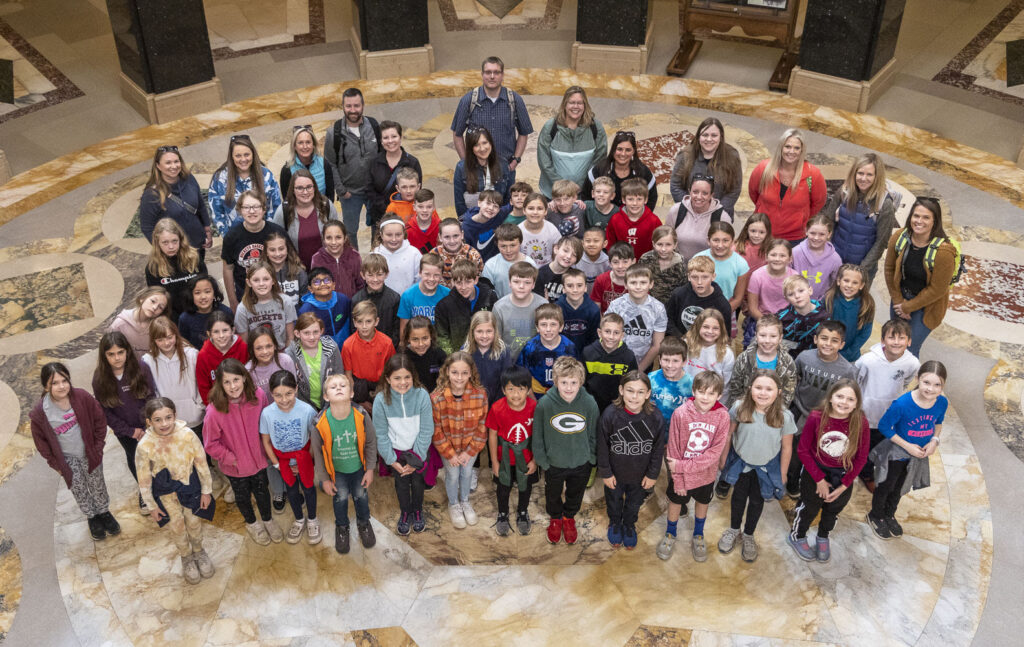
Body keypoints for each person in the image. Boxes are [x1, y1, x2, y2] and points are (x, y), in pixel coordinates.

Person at [30, 362, 120, 541]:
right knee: (78, 488)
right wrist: (55, 464)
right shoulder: (41, 412)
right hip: (67, 459)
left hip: (89, 452)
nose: (61, 386)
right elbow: (41, 443)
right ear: (46, 386)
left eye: (64, 380)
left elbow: (99, 420)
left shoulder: (82, 397)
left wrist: (98, 446)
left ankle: (104, 512)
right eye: (54, 383)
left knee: (97, 484)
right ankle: (92, 516)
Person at [203, 359, 283, 545]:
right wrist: (232, 459)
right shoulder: (214, 411)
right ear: (220, 385)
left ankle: (267, 520)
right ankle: (252, 523)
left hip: (260, 461)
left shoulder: (259, 395)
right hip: (235, 467)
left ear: (244, 378)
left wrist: (267, 448)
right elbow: (210, 444)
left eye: (236, 380)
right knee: (243, 496)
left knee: (262, 492)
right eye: (227, 382)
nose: (232, 386)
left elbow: (266, 424)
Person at [718, 371, 796, 562]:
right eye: (758, 387)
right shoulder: (739, 408)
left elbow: (786, 447)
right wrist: (723, 458)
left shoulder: (785, 416)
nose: (763, 393)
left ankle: (749, 534)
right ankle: (734, 529)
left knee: (756, 501)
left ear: (778, 392)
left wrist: (783, 473)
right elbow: (727, 435)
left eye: (768, 389)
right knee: (737, 498)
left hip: (766, 468)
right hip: (741, 464)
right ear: (750, 388)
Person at [788, 379, 869, 562]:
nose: (844, 402)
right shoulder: (817, 417)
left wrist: (843, 486)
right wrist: (819, 479)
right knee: (809, 507)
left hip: (843, 476)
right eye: (840, 396)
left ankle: (823, 536)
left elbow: (861, 457)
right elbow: (802, 450)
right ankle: (798, 535)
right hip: (815, 472)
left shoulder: (860, 422)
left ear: (857, 403)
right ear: (831, 397)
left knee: (833, 509)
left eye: (850, 399)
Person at [137, 398, 215, 583]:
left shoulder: (187, 435)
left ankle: (198, 551)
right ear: (149, 421)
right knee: (177, 526)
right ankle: (186, 556)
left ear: (175, 415)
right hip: (166, 494)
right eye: (158, 420)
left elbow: (201, 462)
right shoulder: (144, 445)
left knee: (194, 521)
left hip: (190, 487)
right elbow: (144, 478)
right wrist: (151, 505)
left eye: (168, 417)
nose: (164, 424)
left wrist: (206, 490)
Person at [866, 361, 947, 540]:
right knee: (886, 485)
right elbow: (885, 426)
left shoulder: (942, 402)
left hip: (918, 456)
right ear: (918, 379)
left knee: (902, 487)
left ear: (943, 385)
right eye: (926, 382)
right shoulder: (902, 404)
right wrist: (907, 446)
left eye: (937, 385)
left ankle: (889, 514)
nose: (931, 389)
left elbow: (939, 422)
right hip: (897, 454)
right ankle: (876, 515)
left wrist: (934, 440)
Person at [658, 370, 730, 562]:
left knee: (703, 502)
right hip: (680, 476)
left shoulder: (723, 416)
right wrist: (679, 480)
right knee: (675, 502)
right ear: (694, 391)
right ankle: (670, 533)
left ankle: (698, 534)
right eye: (702, 392)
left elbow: (714, 453)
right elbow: (673, 451)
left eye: (711, 393)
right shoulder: (680, 414)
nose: (705, 397)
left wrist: (682, 466)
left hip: (706, 475)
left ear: (719, 395)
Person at [532, 357, 600, 545]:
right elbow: (538, 436)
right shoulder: (545, 404)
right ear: (555, 381)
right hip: (554, 463)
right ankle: (555, 518)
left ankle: (569, 517)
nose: (568, 387)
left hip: (581, 462)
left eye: (573, 382)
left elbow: (594, 434)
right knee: (552, 493)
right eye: (563, 382)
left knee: (575, 493)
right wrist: (543, 462)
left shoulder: (589, 403)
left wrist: (591, 458)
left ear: (581, 382)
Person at [883, 196, 957, 357]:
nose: (919, 221)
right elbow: (889, 269)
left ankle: (904, 382)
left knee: (908, 349)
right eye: (916, 216)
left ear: (935, 221)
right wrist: (898, 301)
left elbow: (937, 290)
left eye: (926, 217)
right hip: (900, 299)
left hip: (927, 307)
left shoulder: (944, 253)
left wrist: (907, 308)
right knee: (894, 344)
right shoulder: (899, 237)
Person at [789, 321, 858, 494]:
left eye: (834, 341)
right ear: (815, 339)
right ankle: (790, 481)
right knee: (794, 451)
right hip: (799, 410)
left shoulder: (847, 370)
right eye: (824, 338)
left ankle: (805, 480)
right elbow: (794, 378)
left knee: (813, 451)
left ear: (841, 344)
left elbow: (847, 396)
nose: (828, 344)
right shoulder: (805, 357)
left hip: (824, 417)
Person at [312, 373, 378, 554]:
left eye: (343, 385)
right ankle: (342, 527)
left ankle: (364, 523)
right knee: (340, 498)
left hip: (359, 468)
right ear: (326, 396)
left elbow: (371, 442)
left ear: (351, 393)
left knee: (360, 495)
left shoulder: (362, 415)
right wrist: (324, 479)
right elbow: (317, 454)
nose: (339, 388)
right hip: (336, 472)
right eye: (333, 387)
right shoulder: (319, 422)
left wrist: (370, 469)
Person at [598, 371, 665, 550]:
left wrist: (652, 474)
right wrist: (605, 472)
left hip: (640, 474)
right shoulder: (610, 414)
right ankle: (615, 523)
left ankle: (628, 524)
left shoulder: (655, 417)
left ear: (648, 394)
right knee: (613, 500)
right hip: (615, 473)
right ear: (621, 390)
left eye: (640, 392)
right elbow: (602, 445)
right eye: (630, 390)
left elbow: (658, 449)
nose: (635, 397)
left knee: (634, 503)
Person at [374, 354, 435, 536]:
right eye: (397, 378)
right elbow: (381, 434)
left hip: (419, 451)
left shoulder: (422, 395)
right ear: (388, 378)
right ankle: (405, 512)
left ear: (413, 376)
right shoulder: (380, 400)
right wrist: (392, 460)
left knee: (417, 483)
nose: (403, 382)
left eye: (407, 377)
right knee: (401, 485)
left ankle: (417, 511)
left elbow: (426, 430)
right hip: (396, 453)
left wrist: (416, 459)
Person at [855, 319, 919, 490]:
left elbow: (906, 383)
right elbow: (856, 382)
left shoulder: (912, 363)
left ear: (909, 341)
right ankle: (864, 473)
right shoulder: (867, 360)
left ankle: (873, 471)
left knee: (880, 446)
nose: (896, 342)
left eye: (901, 338)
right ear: (883, 340)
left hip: (889, 415)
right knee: (861, 446)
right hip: (866, 413)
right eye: (891, 337)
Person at [259, 370, 321, 545]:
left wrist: (307, 460)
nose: (284, 400)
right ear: (271, 394)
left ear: (295, 389)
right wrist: (278, 465)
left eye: (288, 393)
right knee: (292, 491)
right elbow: (266, 441)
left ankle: (312, 519)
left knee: (308, 489)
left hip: (304, 459)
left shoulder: (307, 411)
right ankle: (299, 519)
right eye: (278, 395)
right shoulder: (267, 414)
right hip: (283, 462)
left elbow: (314, 438)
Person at [92, 331, 157, 498]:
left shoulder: (141, 368)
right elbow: (105, 412)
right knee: (135, 459)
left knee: (154, 457)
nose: (117, 358)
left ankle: (160, 487)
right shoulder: (99, 379)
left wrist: (147, 425)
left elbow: (151, 397)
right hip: (125, 432)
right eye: (111, 354)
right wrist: (130, 431)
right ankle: (145, 492)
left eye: (120, 352)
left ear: (127, 351)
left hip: (148, 426)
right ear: (104, 355)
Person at [431, 351, 489, 529]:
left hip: (470, 448)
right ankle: (454, 504)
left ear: (471, 373)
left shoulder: (480, 395)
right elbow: (436, 430)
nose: (459, 377)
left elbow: (482, 426)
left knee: (466, 473)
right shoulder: (437, 397)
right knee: (453, 475)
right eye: (455, 372)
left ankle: (465, 501)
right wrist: (450, 454)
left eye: (464, 373)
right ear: (447, 371)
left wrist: (469, 452)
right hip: (449, 449)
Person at [451, 56, 533, 179]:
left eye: (496, 72)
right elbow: (457, 134)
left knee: (505, 199)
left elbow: (523, 133)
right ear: (482, 74)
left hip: (505, 169)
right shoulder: (468, 100)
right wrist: (466, 163)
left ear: (502, 75)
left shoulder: (514, 100)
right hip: (476, 171)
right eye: (488, 72)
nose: (492, 76)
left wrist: (515, 162)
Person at [820, 152, 896, 286]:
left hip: (862, 268)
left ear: (877, 176)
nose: (863, 178)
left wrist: (861, 269)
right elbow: (828, 220)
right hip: (836, 261)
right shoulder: (844, 191)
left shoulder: (884, 204)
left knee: (855, 305)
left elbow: (881, 242)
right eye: (860, 173)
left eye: (869, 175)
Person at [324, 87, 382, 249]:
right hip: (350, 194)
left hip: (373, 191)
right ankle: (354, 260)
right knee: (350, 231)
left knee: (377, 227)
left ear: (363, 106)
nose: (353, 110)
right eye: (348, 106)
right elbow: (330, 163)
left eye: (356, 106)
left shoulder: (374, 126)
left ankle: (375, 258)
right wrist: (342, 190)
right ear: (342, 106)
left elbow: (382, 156)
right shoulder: (333, 133)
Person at [486, 365, 539, 536]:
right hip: (504, 461)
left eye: (521, 389)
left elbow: (539, 435)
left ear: (528, 390)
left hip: (527, 459)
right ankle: (502, 513)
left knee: (525, 489)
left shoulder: (535, 408)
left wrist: (535, 460)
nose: (516, 395)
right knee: (503, 489)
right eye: (510, 389)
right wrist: (494, 462)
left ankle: (522, 512)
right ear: (503, 390)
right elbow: (492, 435)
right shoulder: (497, 408)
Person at [747, 128, 826, 242]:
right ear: (781, 147)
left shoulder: (813, 174)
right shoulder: (764, 168)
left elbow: (818, 202)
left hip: (795, 237)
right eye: (787, 146)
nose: (791, 151)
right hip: (762, 231)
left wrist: (801, 218)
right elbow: (753, 192)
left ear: (802, 150)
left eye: (796, 148)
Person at [139, 145, 212, 259]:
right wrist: (164, 250)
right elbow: (147, 227)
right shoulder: (151, 195)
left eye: (176, 161)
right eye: (168, 163)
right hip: (175, 252)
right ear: (158, 166)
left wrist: (207, 229)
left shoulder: (189, 178)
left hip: (197, 244)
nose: (173, 166)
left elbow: (200, 205)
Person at [221, 190, 288, 310]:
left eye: (256, 206)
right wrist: (232, 301)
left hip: (275, 294)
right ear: (240, 211)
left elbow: (290, 261)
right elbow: (228, 269)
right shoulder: (231, 236)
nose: (252, 211)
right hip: (246, 297)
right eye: (246, 207)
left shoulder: (277, 232)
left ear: (264, 209)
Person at [142, 317, 205, 444]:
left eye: (170, 337)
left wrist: (199, 406)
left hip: (194, 417)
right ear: (154, 341)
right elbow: (152, 392)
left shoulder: (192, 355)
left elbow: (202, 384)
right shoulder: (148, 361)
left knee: (201, 456)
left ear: (176, 335)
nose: (166, 343)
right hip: (169, 423)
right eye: (160, 339)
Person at [537, 85, 608, 197]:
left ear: (585, 105)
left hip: (583, 192)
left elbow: (600, 159)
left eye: (580, 103)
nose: (576, 106)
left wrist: (581, 185)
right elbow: (544, 161)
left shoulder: (595, 127)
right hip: (553, 194)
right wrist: (563, 186)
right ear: (565, 104)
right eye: (571, 102)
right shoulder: (551, 127)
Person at [208, 134, 281, 236]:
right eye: (238, 156)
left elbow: (275, 208)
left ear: (253, 154)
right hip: (234, 237)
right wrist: (227, 236)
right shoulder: (220, 178)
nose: (243, 159)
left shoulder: (266, 175)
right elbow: (216, 211)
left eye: (247, 154)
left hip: (264, 236)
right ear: (232, 157)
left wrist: (269, 235)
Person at [669, 117, 743, 215]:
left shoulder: (732, 156)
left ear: (721, 137)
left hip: (719, 215)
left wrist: (717, 212)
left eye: (714, 135)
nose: (709, 139)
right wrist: (691, 208)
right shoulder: (685, 156)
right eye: (705, 135)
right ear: (699, 137)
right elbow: (675, 186)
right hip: (689, 214)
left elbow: (734, 190)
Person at [272, 169, 339, 269]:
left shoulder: (326, 206)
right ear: (293, 190)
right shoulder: (283, 211)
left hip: (325, 269)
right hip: (296, 270)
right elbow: (275, 242)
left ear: (314, 187)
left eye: (309, 187)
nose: (305, 192)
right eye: (299, 188)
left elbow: (338, 236)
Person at [727, 314, 796, 408]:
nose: (767, 341)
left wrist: (776, 412)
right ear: (756, 335)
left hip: (773, 412)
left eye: (773, 336)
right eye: (762, 335)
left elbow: (788, 393)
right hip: (746, 409)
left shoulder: (787, 362)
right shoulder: (744, 358)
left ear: (780, 338)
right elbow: (735, 389)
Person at [607, 264, 667, 372]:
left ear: (651, 284)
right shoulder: (615, 306)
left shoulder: (658, 308)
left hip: (644, 363)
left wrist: (639, 370)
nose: (638, 287)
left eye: (643, 282)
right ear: (625, 284)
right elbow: (607, 337)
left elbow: (657, 345)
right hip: (615, 362)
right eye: (633, 282)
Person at [369, 120, 423, 233]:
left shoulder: (412, 162)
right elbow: (369, 191)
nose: (390, 141)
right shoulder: (374, 162)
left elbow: (418, 191)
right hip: (381, 219)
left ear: (400, 137)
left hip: (407, 220)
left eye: (394, 136)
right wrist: (388, 210)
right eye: (385, 138)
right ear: (381, 141)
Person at [435, 259, 497, 354]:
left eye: (468, 282)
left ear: (476, 280)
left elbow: (497, 327)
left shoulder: (489, 297)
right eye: (459, 283)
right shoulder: (443, 306)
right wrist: (453, 357)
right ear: (453, 282)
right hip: (459, 357)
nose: (463, 287)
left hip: (487, 353)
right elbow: (442, 337)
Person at [582, 131, 657, 209]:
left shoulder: (642, 172)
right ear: (613, 149)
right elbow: (586, 196)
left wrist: (640, 218)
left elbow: (651, 199)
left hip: (633, 219)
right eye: (619, 149)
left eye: (628, 150)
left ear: (633, 152)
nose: (623, 154)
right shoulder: (599, 170)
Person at [342, 301, 395, 407]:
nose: (364, 326)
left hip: (381, 384)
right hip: (359, 386)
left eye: (368, 321)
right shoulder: (348, 345)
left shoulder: (386, 342)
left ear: (376, 321)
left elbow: (392, 371)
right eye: (360, 322)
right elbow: (348, 375)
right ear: (354, 322)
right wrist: (358, 401)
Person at [583, 312, 638, 414]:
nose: (611, 337)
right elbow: (582, 382)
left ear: (622, 335)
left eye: (616, 333)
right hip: (591, 405)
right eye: (607, 331)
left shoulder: (628, 357)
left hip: (617, 407)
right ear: (599, 333)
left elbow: (632, 384)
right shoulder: (588, 353)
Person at [743, 239, 797, 345]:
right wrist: (768, 324)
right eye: (773, 255)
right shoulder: (757, 276)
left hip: (787, 322)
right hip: (761, 318)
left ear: (790, 259)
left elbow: (797, 306)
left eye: (782, 256)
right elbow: (753, 308)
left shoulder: (795, 277)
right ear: (766, 256)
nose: (777, 259)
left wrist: (780, 325)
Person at [517, 303, 579, 395]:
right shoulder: (530, 348)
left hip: (562, 396)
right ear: (537, 327)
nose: (548, 329)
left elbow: (576, 375)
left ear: (561, 327)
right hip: (535, 395)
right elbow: (521, 375)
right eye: (543, 325)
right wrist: (532, 398)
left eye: (553, 324)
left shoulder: (569, 348)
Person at [664, 174, 730, 260]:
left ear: (711, 195)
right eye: (695, 192)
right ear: (689, 191)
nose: (699, 197)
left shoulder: (722, 218)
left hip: (705, 269)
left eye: (705, 193)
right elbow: (665, 239)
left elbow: (726, 248)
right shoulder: (676, 210)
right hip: (677, 267)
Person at [665, 255, 732, 338]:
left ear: (713, 276)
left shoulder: (722, 305)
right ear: (688, 277)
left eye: (705, 277)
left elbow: (725, 335)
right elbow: (668, 320)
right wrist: (681, 339)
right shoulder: (678, 294)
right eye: (694, 277)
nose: (699, 282)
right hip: (680, 344)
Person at [288, 312, 344, 410]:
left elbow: (339, 375)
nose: (312, 337)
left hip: (330, 402)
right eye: (306, 333)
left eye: (315, 332)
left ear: (321, 331)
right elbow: (292, 384)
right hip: (303, 404)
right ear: (297, 333)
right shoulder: (291, 353)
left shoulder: (331, 348)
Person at [233, 261, 296, 348]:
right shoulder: (243, 308)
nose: (261, 284)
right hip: (258, 355)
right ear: (249, 282)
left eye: (266, 279)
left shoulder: (285, 301)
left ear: (273, 280)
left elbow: (290, 338)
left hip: (282, 352)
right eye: (256, 280)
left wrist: (287, 358)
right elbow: (244, 343)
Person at [454, 126, 512, 217]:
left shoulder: (503, 164)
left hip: (498, 219)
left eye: (485, 143)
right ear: (471, 148)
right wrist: (468, 223)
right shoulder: (461, 167)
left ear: (491, 143)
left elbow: (508, 197)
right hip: (472, 219)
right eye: (476, 145)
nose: (482, 148)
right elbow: (459, 203)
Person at [493, 261, 547, 357]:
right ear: (509, 283)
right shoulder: (499, 308)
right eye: (516, 282)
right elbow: (497, 341)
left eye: (527, 282)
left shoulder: (543, 305)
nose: (521, 286)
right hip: (509, 363)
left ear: (533, 284)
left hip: (536, 360)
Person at [823, 264, 875, 362]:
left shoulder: (867, 304)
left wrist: (848, 353)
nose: (849, 285)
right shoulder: (828, 299)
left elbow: (865, 333)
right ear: (839, 281)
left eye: (855, 283)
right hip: (825, 352)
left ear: (861, 285)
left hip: (849, 358)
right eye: (846, 281)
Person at [695, 222, 749, 315]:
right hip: (699, 310)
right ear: (708, 241)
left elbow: (738, 298)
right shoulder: (698, 258)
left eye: (725, 240)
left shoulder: (740, 264)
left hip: (726, 311)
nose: (720, 245)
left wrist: (721, 313)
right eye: (716, 240)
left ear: (732, 242)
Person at [196, 311, 248, 405]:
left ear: (232, 330)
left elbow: (250, 378)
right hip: (218, 407)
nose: (221, 336)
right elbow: (204, 388)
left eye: (225, 330)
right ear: (209, 334)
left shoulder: (243, 348)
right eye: (216, 332)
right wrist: (212, 408)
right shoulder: (203, 355)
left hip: (244, 403)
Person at [463, 311, 514, 405]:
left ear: (495, 331)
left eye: (489, 331)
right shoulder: (465, 351)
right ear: (472, 331)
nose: (484, 336)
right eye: (479, 331)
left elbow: (506, 380)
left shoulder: (503, 351)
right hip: (471, 403)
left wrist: (497, 405)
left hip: (497, 404)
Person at [352, 253, 401, 349]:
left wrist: (390, 347)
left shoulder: (394, 298)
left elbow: (397, 329)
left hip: (387, 349)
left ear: (386, 274)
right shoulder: (356, 299)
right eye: (370, 275)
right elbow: (354, 329)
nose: (375, 279)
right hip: (363, 349)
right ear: (363, 275)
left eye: (379, 274)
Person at [244, 327, 306, 403]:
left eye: (268, 346)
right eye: (259, 348)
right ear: (252, 350)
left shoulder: (285, 361)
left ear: (275, 346)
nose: (265, 351)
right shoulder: (248, 370)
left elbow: (294, 390)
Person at [605, 177, 662, 259]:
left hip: (646, 266)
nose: (635, 203)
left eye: (639, 199)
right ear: (623, 200)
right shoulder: (615, 220)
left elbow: (659, 244)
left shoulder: (654, 221)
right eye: (630, 199)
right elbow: (610, 244)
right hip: (622, 265)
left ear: (645, 200)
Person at [683, 308, 734, 398]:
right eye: (706, 327)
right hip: (684, 394)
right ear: (698, 326)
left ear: (721, 330)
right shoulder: (686, 345)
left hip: (709, 399)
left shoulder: (726, 353)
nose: (710, 331)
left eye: (715, 328)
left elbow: (726, 385)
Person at [278, 125, 336, 203]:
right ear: (294, 146)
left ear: (313, 145)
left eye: (308, 142)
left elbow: (330, 197)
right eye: (300, 143)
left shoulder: (324, 164)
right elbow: (287, 201)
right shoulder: (287, 170)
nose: (305, 146)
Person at [398, 253, 450, 338]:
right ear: (420, 273)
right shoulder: (408, 296)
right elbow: (404, 330)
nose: (431, 279)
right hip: (416, 343)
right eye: (427, 274)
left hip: (441, 343)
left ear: (441, 275)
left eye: (436, 275)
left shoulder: (447, 294)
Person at [791, 214, 842, 301]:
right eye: (812, 233)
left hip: (820, 304)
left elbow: (835, 283)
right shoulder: (795, 253)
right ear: (806, 231)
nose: (816, 238)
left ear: (829, 234)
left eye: (822, 234)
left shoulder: (835, 259)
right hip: (795, 300)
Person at [298, 267, 352, 348]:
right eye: (316, 282)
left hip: (345, 348)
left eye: (327, 280)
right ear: (310, 289)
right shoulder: (306, 310)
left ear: (334, 285)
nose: (323, 284)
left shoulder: (343, 300)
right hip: (321, 352)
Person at [110, 286, 170, 358]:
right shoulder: (119, 325)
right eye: (153, 301)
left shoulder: (158, 328)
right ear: (142, 298)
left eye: (160, 307)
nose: (154, 307)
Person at [778, 275, 828, 359]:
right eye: (791, 294)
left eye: (801, 291)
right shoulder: (781, 317)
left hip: (815, 361)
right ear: (786, 298)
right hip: (788, 361)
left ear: (810, 290)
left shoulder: (825, 315)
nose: (797, 296)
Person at [178, 274, 232, 351]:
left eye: (207, 292)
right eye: (197, 293)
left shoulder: (226, 312)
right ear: (191, 295)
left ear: (214, 294)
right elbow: (184, 344)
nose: (203, 297)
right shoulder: (185, 318)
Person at [648, 337, 693, 427]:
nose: (670, 365)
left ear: (684, 362)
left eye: (675, 361)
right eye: (666, 360)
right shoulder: (651, 379)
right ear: (660, 360)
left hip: (679, 431)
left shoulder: (691, 384)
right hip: (652, 429)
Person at [311, 221, 364, 298]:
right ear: (323, 239)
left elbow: (360, 284)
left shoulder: (355, 256)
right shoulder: (317, 259)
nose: (333, 242)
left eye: (338, 237)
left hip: (351, 305)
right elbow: (316, 286)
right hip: (328, 305)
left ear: (345, 238)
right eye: (329, 238)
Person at [482, 223, 536, 299]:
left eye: (513, 245)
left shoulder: (530, 264)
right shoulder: (490, 265)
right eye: (503, 246)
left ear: (520, 243)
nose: (508, 250)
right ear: (497, 244)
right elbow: (487, 293)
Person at [372, 215, 422, 295]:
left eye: (398, 235)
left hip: (408, 301)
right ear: (381, 235)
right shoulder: (375, 254)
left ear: (404, 234)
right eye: (389, 235)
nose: (394, 239)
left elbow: (420, 280)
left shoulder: (414, 254)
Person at [639, 226, 686, 306]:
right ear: (654, 244)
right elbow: (639, 281)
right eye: (660, 244)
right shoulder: (645, 259)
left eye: (668, 244)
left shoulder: (680, 264)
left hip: (671, 307)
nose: (663, 249)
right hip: (647, 304)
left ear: (675, 245)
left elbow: (683, 290)